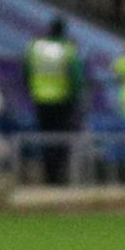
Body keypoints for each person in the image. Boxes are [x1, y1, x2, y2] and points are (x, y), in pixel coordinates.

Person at [26, 17, 80, 180]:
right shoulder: (68, 49)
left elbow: (26, 71)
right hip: (63, 100)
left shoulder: (35, 47)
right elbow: (76, 76)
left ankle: (48, 173)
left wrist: (32, 90)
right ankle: (59, 174)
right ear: (64, 31)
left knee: (45, 137)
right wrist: (75, 97)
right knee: (61, 138)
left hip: (40, 98)